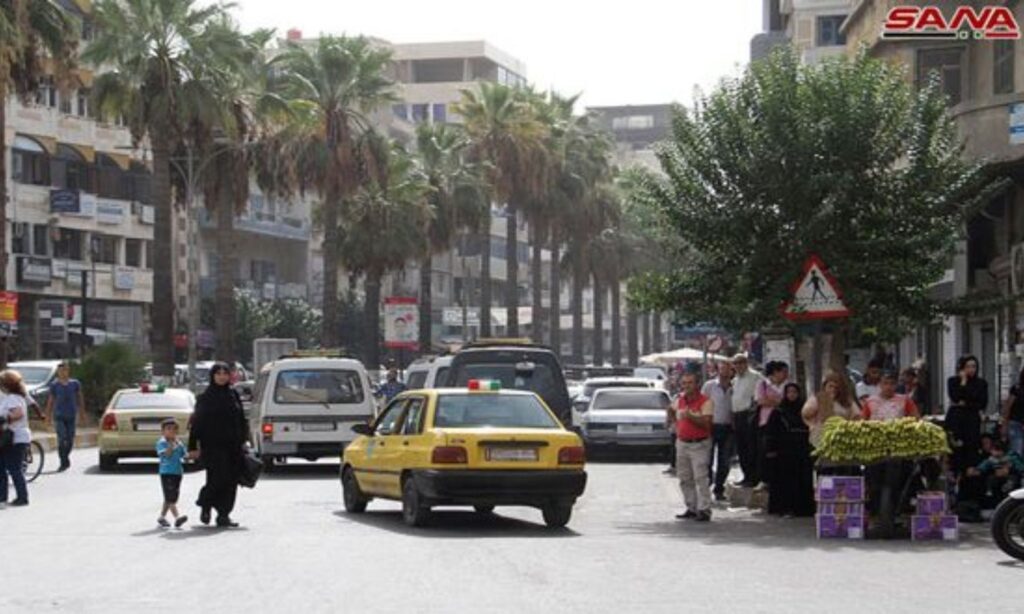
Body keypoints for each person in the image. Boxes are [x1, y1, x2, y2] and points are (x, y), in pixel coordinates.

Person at [188, 363, 249, 528]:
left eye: (225, 373)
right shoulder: (205, 397)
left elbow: (241, 419)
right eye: (218, 373)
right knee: (217, 478)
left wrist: (244, 440)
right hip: (213, 446)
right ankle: (205, 503)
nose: (222, 376)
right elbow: (196, 423)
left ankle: (224, 515)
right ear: (212, 376)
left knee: (231, 481)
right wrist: (192, 446)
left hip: (233, 446)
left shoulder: (233, 395)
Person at [765, 383, 815, 517]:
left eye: (794, 392)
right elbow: (771, 431)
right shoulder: (779, 412)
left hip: (802, 451)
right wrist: (771, 449)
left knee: (802, 479)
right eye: (789, 392)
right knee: (786, 480)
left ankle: (803, 509)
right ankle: (786, 508)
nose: (792, 395)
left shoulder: (805, 411)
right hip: (784, 452)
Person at [673, 371, 714, 522]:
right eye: (684, 383)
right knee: (685, 477)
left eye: (690, 383)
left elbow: (706, 423)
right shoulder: (680, 400)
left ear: (697, 384)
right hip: (682, 443)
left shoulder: (705, 401)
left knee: (700, 477)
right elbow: (671, 411)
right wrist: (672, 420)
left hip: (699, 444)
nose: (686, 386)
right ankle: (691, 507)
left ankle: (704, 509)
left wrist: (690, 416)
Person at [946, 355, 988, 475]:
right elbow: (955, 397)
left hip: (972, 420)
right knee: (957, 449)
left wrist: (966, 402)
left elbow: (981, 402)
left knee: (971, 449)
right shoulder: (953, 381)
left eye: (974, 366)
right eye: (968, 366)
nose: (971, 369)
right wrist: (963, 382)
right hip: (957, 420)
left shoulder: (981, 383)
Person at [702, 360, 734, 501]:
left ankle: (719, 488)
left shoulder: (735, 386)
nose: (725, 372)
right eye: (722, 368)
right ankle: (706, 485)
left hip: (728, 427)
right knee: (707, 459)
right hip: (711, 425)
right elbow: (702, 403)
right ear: (718, 370)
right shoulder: (709, 386)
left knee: (725, 460)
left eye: (728, 369)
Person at [0, 370, 32, 506]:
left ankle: (22, 497)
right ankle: (3, 496)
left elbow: (18, 414)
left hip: (14, 438)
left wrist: (4, 419)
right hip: (14, 437)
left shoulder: (12, 398)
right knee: (3, 467)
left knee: (14, 468)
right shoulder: (17, 397)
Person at [730, 353, 763, 487]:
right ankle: (746, 476)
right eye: (736, 363)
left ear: (746, 363)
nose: (738, 365)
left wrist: (753, 412)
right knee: (741, 448)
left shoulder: (755, 377)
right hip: (737, 415)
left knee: (751, 447)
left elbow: (758, 397)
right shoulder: (735, 380)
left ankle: (754, 477)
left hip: (750, 415)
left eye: (741, 362)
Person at [755, 361, 789, 489]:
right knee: (765, 451)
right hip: (766, 422)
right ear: (776, 372)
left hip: (783, 423)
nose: (786, 375)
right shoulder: (763, 384)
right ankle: (764, 479)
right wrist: (779, 401)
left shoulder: (787, 385)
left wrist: (773, 401)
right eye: (784, 372)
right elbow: (761, 400)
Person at [802, 370, 860, 446]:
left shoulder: (847, 401)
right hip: (820, 438)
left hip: (842, 438)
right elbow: (806, 413)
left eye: (836, 387)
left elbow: (857, 416)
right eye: (830, 386)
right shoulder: (818, 398)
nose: (833, 389)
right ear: (825, 386)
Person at [45, 362, 84, 471]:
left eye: (65, 370)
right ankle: (63, 461)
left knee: (70, 439)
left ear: (68, 371)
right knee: (62, 439)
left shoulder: (75, 383)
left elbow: (80, 398)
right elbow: (50, 401)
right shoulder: (54, 385)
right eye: (61, 370)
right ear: (58, 372)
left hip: (71, 415)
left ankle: (65, 456)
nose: (63, 372)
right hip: (59, 416)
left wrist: (82, 414)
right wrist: (47, 417)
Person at [966, 439, 1024, 508]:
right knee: (990, 479)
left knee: (1012, 479)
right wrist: (977, 470)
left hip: (1010, 477)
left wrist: (1011, 469)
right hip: (997, 479)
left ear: (1001, 451)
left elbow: (1020, 467)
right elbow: (984, 466)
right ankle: (989, 490)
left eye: (994, 450)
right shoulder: (991, 459)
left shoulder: (1011, 457)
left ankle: (1008, 486)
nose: (992, 452)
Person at [156, 418, 189, 528]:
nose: (171, 431)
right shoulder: (162, 443)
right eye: (168, 429)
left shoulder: (178, 442)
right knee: (171, 497)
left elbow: (184, 456)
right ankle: (177, 517)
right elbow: (166, 455)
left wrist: (192, 455)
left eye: (174, 429)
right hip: (166, 473)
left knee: (170, 497)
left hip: (177, 472)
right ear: (163, 431)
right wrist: (170, 446)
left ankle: (162, 517)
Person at [1001, 367, 1024, 457]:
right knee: (1016, 452)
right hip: (1016, 423)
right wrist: (1004, 425)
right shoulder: (1016, 389)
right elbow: (1007, 407)